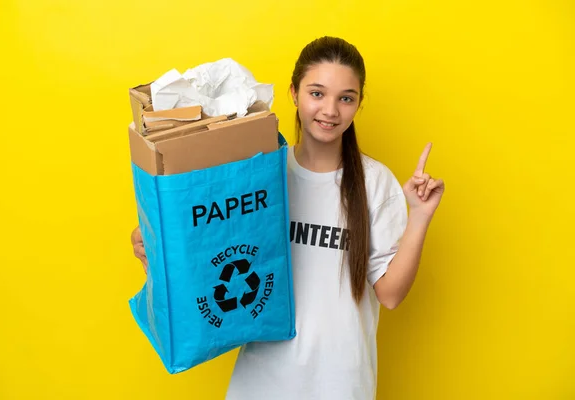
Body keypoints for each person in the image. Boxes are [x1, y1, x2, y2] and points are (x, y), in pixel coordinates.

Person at [130, 36, 445, 400]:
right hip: (263, 382)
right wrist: (154, 242)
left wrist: (420, 216)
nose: (330, 110)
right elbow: (212, 255)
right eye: (317, 93)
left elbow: (389, 295)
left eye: (346, 98)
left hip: (343, 384)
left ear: (358, 104)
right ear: (294, 93)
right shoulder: (261, 175)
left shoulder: (375, 183)